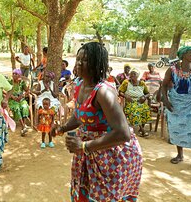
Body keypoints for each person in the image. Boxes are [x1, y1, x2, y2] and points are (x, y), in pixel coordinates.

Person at [51, 42, 142, 201]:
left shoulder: (103, 92)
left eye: (84, 60)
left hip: (111, 157)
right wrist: (63, 128)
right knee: (84, 193)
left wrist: (84, 146)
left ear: (96, 64)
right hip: (89, 153)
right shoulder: (79, 84)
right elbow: (80, 114)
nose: (78, 63)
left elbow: (123, 133)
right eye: (78, 59)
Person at [162, 46, 191, 164]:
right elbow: (164, 85)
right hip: (176, 103)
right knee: (177, 128)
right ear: (183, 55)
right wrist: (165, 100)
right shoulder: (172, 70)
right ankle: (180, 155)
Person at [119, 68, 151, 137]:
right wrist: (125, 96)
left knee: (145, 110)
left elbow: (148, 93)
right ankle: (142, 130)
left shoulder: (142, 83)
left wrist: (144, 97)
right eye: (131, 73)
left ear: (137, 76)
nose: (132, 75)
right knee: (134, 110)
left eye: (134, 74)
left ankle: (141, 128)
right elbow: (120, 92)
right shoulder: (126, 82)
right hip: (130, 103)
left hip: (140, 102)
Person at [8, 69, 30, 136]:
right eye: (13, 74)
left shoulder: (22, 82)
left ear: (19, 75)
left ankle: (24, 125)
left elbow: (27, 91)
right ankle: (23, 127)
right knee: (16, 108)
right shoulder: (9, 82)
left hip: (20, 99)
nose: (14, 75)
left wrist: (23, 95)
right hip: (12, 100)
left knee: (24, 106)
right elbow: (4, 91)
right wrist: (12, 97)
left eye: (16, 74)